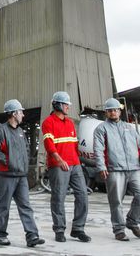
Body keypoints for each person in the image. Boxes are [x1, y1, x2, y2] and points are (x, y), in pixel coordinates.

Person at [92, 97, 140, 241]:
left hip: (134, 168)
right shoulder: (101, 128)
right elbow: (98, 149)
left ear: (119, 111)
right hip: (114, 169)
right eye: (110, 110)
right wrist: (101, 166)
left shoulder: (129, 128)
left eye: (115, 110)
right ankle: (119, 230)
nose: (113, 113)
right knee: (116, 201)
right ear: (106, 113)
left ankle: (132, 221)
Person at [0, 99, 45, 248]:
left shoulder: (20, 132)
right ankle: (1, 234)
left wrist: (23, 165)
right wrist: (9, 162)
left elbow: (26, 150)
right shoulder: (1, 130)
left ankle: (32, 235)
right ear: (14, 114)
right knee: (3, 207)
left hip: (21, 177)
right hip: (6, 176)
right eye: (20, 112)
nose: (23, 114)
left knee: (26, 206)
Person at [41, 91, 91, 243]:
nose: (68, 107)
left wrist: (78, 162)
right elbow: (49, 145)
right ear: (57, 105)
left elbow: (74, 144)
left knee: (82, 195)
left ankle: (78, 229)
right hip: (59, 165)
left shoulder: (70, 123)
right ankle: (59, 230)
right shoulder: (48, 122)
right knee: (58, 197)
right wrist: (59, 160)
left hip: (75, 164)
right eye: (66, 105)